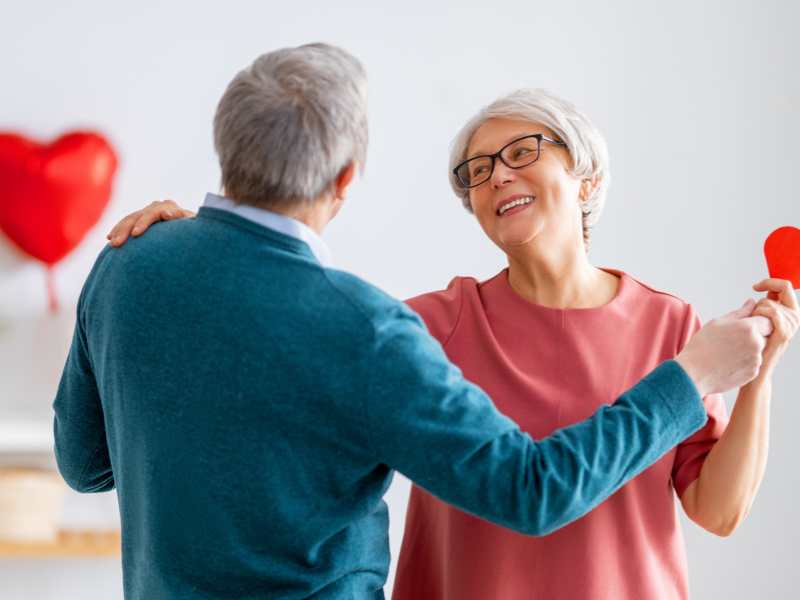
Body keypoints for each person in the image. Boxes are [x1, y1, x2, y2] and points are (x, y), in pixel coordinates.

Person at [59, 43, 772, 600]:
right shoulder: (384, 328)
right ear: (347, 178)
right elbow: (532, 490)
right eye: (477, 169)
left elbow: (86, 464)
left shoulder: (127, 262)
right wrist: (694, 378)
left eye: (523, 152)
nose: (498, 176)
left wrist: (197, 260)